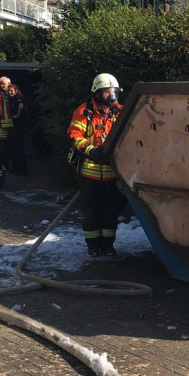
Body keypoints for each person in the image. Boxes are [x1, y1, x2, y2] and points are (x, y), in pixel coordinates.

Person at [67, 73, 124, 257]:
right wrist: (92, 150)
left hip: (112, 174)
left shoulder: (120, 112)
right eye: (107, 92)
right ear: (97, 93)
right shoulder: (85, 112)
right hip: (89, 173)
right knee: (91, 213)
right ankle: (92, 246)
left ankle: (108, 245)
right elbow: (75, 135)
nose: (111, 95)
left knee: (110, 213)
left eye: (113, 91)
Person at [7, 83, 29, 175]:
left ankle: (23, 170)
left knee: (18, 148)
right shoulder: (11, 99)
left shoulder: (18, 98)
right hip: (13, 126)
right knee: (13, 148)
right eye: (9, 91)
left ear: (16, 91)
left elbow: (21, 106)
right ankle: (16, 168)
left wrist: (17, 115)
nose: (10, 92)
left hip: (18, 126)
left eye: (12, 91)